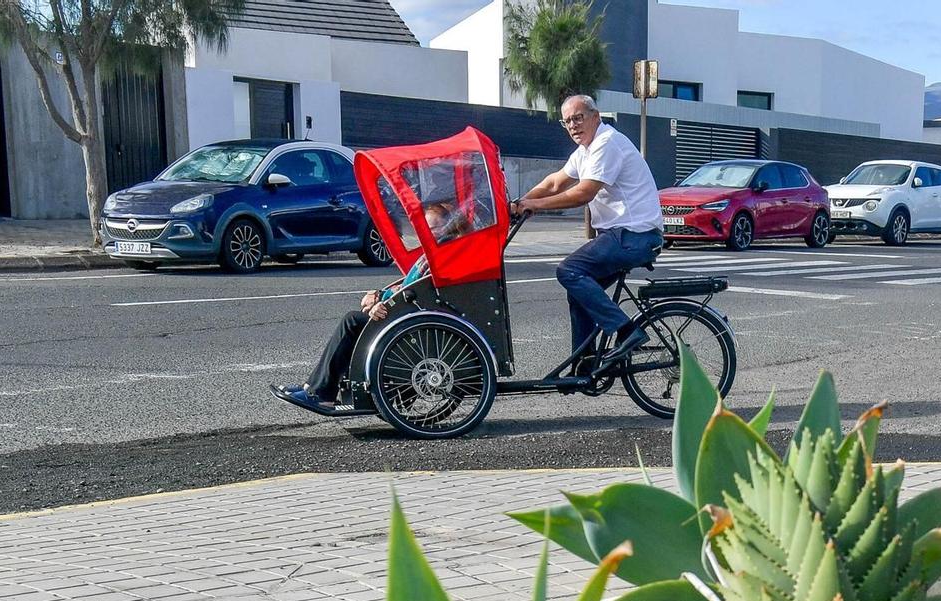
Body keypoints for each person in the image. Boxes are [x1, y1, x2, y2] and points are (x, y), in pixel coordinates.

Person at [509, 93, 664, 372]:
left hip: (634, 235)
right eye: (567, 121)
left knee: (569, 271)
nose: (573, 125)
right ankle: (585, 363)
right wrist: (521, 202)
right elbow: (555, 182)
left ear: (596, 116)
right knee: (578, 290)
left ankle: (627, 331)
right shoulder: (585, 151)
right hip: (619, 235)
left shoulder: (607, 143)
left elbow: (583, 193)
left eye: (578, 118)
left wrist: (535, 206)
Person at [275, 199, 469, 411]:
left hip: (412, 316)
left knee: (352, 321)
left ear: (446, 227)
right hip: (409, 310)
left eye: (432, 228)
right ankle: (314, 388)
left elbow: (420, 292)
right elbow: (412, 287)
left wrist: (383, 300)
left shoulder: (441, 254)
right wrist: (380, 295)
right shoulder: (439, 251)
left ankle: (320, 392)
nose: (425, 233)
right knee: (355, 321)